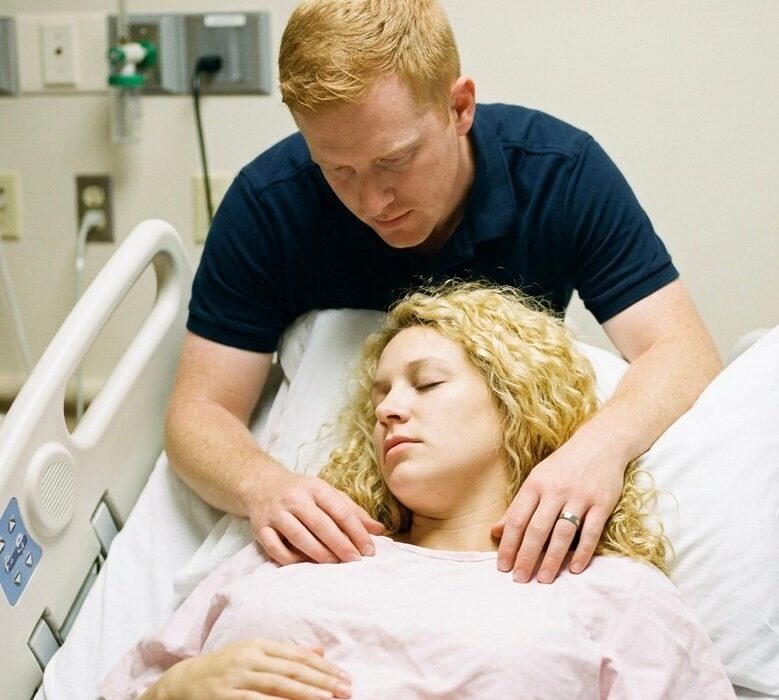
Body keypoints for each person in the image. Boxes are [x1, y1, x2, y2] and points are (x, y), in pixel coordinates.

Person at [165, 0, 722, 585]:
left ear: (459, 108)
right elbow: (199, 411)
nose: (372, 201)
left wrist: (595, 452)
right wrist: (264, 487)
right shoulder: (268, 206)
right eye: (337, 170)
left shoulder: (558, 174)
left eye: (395, 159)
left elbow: (681, 349)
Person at [101, 283, 734, 699]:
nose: (388, 410)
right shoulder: (293, 551)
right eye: (379, 395)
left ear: (518, 404)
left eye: (426, 384)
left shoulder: (614, 596)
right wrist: (174, 690)